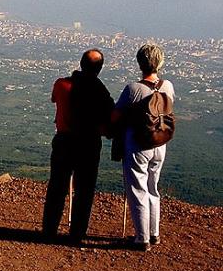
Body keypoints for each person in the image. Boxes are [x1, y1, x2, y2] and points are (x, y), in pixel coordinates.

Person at [42, 49, 114, 245]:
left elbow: (54, 99)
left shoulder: (61, 84)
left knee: (57, 187)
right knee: (84, 190)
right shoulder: (100, 91)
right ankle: (77, 234)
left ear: (81, 64)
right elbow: (109, 120)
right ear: (99, 69)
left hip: (64, 141)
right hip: (89, 144)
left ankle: (49, 231)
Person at [110, 43, 175, 252]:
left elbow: (115, 116)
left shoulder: (133, 89)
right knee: (153, 187)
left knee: (138, 189)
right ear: (160, 62)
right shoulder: (168, 86)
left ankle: (142, 238)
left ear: (140, 63)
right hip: (160, 142)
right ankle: (154, 233)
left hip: (137, 143)